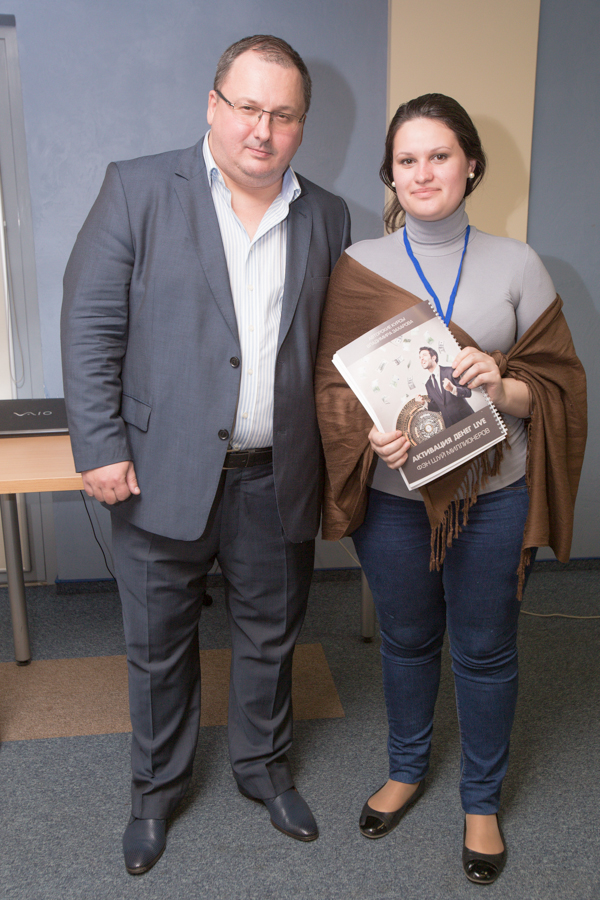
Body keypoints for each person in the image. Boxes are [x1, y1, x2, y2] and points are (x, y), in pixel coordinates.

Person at [61, 34, 350, 875]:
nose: (263, 129)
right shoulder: (139, 187)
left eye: (283, 114)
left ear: (301, 125)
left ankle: (264, 770)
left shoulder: (327, 215)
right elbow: (89, 325)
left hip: (276, 474)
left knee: (271, 636)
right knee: (158, 645)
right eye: (248, 107)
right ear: (214, 105)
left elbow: (331, 348)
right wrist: (100, 444)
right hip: (157, 472)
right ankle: (155, 792)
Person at [315, 94, 586, 885]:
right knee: (405, 640)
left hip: (495, 495)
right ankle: (406, 769)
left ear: (470, 164)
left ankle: (481, 800)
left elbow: (557, 386)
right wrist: (368, 434)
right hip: (395, 502)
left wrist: (502, 384)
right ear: (391, 174)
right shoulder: (359, 266)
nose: (424, 172)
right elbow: (333, 389)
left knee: (486, 648)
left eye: (439, 155)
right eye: (407, 159)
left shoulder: (518, 263)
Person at [417, 345, 474, 427]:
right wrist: (424, 403)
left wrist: (452, 389)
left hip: (467, 419)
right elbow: (437, 407)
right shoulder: (428, 384)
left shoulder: (450, 371)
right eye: (420, 357)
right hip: (451, 426)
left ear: (433, 357)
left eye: (424, 355)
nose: (421, 359)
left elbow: (468, 392)